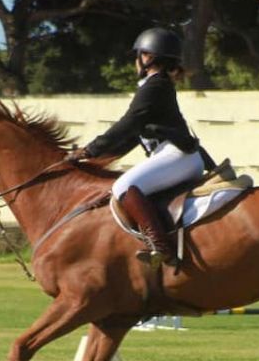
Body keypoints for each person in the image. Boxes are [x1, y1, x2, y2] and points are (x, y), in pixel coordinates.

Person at [65, 28, 206, 267]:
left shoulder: (155, 85)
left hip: (177, 155)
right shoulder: (156, 85)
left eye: (138, 55)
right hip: (175, 156)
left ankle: (161, 247)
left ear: (148, 57)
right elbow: (133, 136)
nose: (135, 61)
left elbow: (128, 123)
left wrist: (89, 150)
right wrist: (95, 159)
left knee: (124, 186)